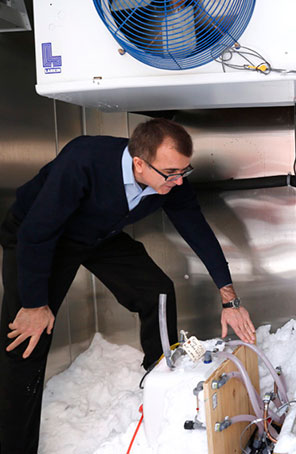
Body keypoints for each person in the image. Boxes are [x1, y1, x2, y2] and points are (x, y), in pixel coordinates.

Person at [0, 118, 256, 454]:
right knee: (28, 342)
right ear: (139, 163)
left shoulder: (171, 179)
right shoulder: (84, 161)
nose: (179, 181)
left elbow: (198, 231)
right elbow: (37, 232)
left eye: (184, 171)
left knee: (157, 292)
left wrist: (230, 299)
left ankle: (161, 379)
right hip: (39, 237)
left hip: (97, 235)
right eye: (171, 173)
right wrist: (34, 305)